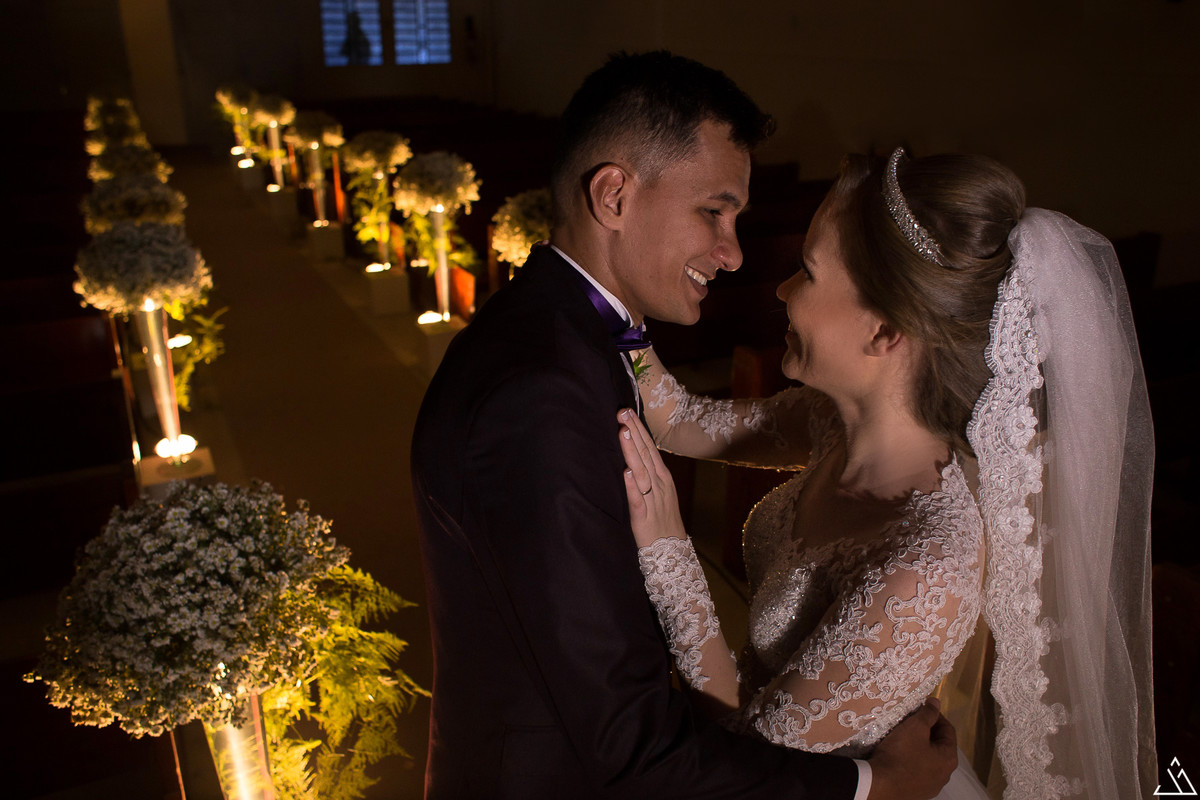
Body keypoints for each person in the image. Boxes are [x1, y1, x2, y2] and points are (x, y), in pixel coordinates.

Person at [411, 52, 958, 799]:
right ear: (613, 194)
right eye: (713, 210)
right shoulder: (536, 396)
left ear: (889, 330)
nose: (736, 256)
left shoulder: (562, 339)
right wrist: (874, 788)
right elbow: (630, 748)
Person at [618, 147, 1157, 798]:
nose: (783, 292)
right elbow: (678, 421)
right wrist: (616, 302)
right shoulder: (825, 419)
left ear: (885, 332)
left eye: (807, 273)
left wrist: (671, 556)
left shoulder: (921, 569)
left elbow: (751, 770)